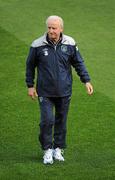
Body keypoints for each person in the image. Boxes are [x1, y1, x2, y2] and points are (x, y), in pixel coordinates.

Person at [25, 15, 93, 164]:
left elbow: (78, 63)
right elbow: (30, 66)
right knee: (47, 121)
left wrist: (86, 80)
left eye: (54, 28)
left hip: (64, 91)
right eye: (49, 28)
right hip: (45, 92)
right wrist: (30, 85)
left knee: (61, 121)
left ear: (61, 28)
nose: (51, 31)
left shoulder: (70, 43)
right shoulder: (37, 45)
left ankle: (58, 149)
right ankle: (47, 150)